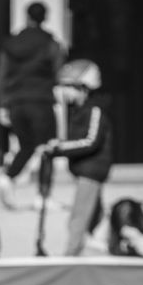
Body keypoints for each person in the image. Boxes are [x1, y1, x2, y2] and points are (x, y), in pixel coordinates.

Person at [0, 0, 64, 208]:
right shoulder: (51, 43)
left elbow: (0, 76)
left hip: (16, 102)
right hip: (41, 101)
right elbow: (58, 71)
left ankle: (7, 177)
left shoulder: (10, 44)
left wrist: (2, 104)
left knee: (26, 145)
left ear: (27, 17)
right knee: (47, 148)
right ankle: (43, 195)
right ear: (45, 18)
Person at [44, 59, 113, 257]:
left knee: (78, 218)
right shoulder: (78, 111)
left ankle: (70, 254)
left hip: (91, 170)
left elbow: (90, 141)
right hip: (83, 170)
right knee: (95, 216)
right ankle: (98, 249)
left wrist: (60, 148)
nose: (64, 91)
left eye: (69, 87)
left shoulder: (94, 110)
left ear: (84, 88)